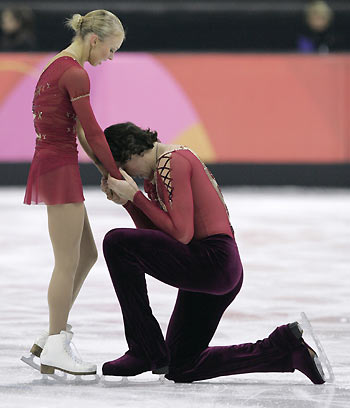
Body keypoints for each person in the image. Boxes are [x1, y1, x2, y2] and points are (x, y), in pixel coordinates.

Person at [100, 122, 325, 384]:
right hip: (215, 266)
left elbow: (181, 234)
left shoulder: (170, 162)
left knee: (116, 242)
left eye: (124, 168)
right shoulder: (160, 169)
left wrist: (136, 198)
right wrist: (129, 202)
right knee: (180, 366)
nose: (130, 176)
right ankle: (284, 349)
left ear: (131, 154)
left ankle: (142, 348)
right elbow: (157, 238)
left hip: (212, 262)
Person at [23, 10, 125, 376]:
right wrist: (118, 175)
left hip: (56, 162)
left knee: (86, 254)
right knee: (66, 261)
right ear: (94, 40)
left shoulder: (59, 64)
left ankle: (51, 332)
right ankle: (54, 343)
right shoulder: (75, 71)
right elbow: (95, 132)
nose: (109, 58)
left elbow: (81, 130)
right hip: (58, 166)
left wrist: (103, 171)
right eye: (110, 50)